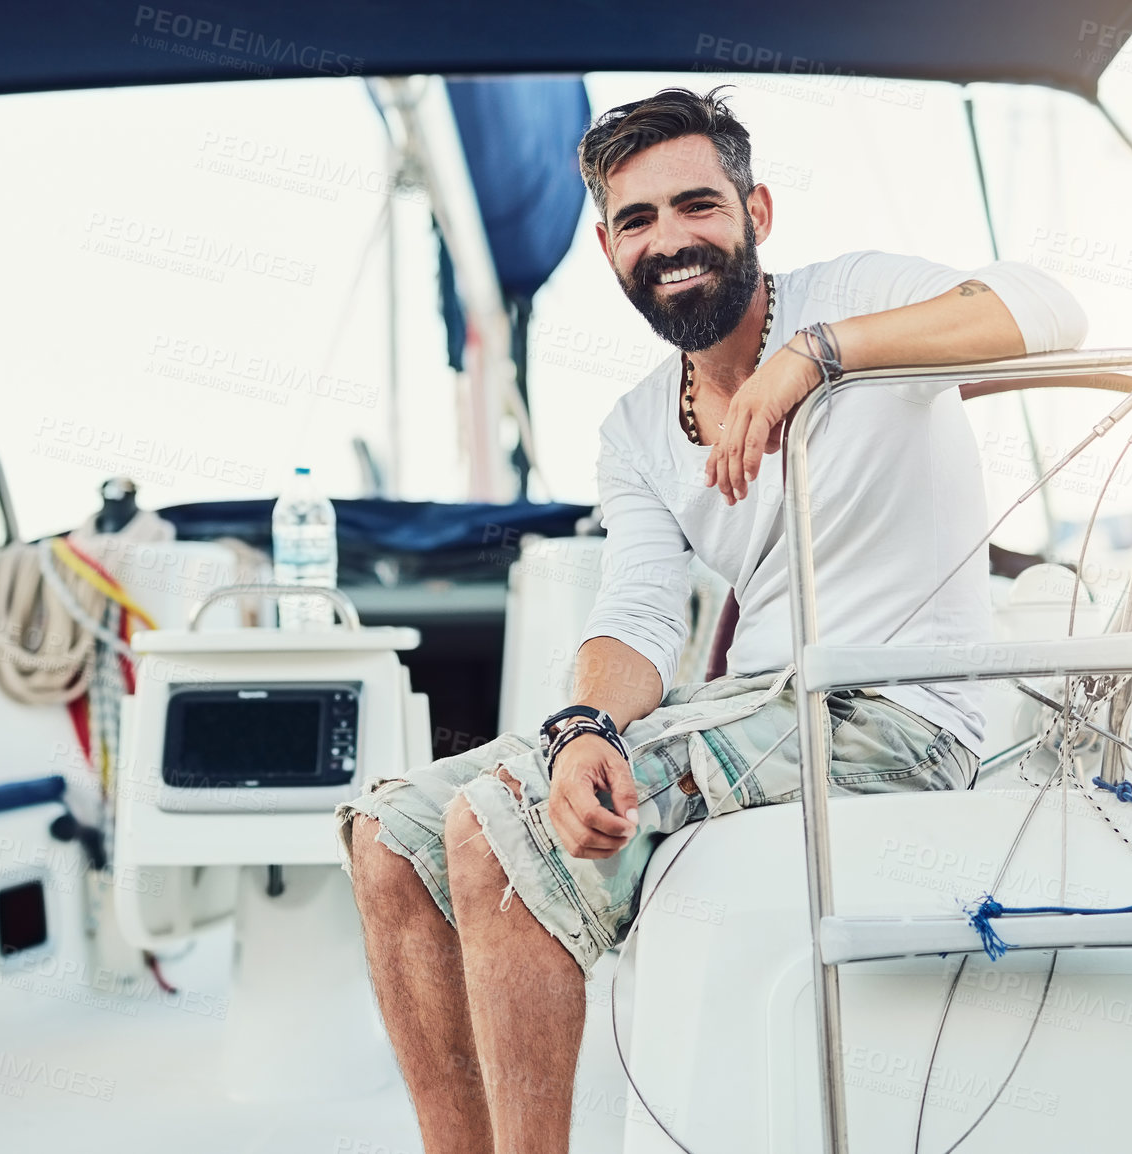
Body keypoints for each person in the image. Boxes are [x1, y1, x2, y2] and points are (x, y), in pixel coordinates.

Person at [337, 86, 1087, 1154]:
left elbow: (1050, 308)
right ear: (606, 248)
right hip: (749, 707)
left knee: (494, 823)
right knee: (389, 834)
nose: (670, 240)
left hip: (894, 718)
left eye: (697, 205)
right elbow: (635, 621)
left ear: (756, 211)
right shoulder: (637, 426)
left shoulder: (856, 295)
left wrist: (813, 357)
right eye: (637, 220)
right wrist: (585, 728)